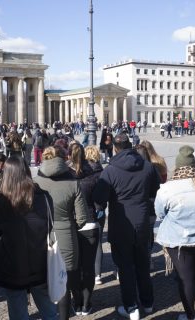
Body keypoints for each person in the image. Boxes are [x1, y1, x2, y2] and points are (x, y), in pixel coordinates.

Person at [93, 133, 160, 319]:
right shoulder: (147, 167)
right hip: (142, 221)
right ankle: (147, 302)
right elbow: (155, 190)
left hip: (120, 223)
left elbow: (99, 198)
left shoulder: (110, 171)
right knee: (143, 264)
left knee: (125, 267)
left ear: (115, 148)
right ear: (130, 145)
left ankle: (131, 307)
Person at [0, 156, 58, 319]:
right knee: (49, 312)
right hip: (40, 262)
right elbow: (50, 224)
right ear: (26, 171)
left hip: (13, 266)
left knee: (18, 312)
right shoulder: (44, 197)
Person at [155, 145, 195, 320]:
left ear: (177, 166)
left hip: (179, 240)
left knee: (186, 278)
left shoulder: (167, 188)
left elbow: (161, 213)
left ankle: (190, 315)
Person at [33, 146, 87, 320]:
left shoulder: (35, 182)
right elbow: (82, 219)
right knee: (63, 284)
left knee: (42, 281)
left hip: (40, 238)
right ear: (64, 159)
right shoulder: (73, 183)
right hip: (66, 237)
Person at [66, 143, 102, 315]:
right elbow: (100, 201)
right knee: (88, 267)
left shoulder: (64, 175)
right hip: (90, 222)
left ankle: (77, 302)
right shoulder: (95, 173)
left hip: (70, 224)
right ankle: (87, 304)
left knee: (73, 267)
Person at [83, 146, 105, 286]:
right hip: (99, 210)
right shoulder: (102, 172)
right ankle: (97, 275)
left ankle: (86, 271)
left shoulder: (83, 172)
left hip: (85, 210)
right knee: (98, 243)